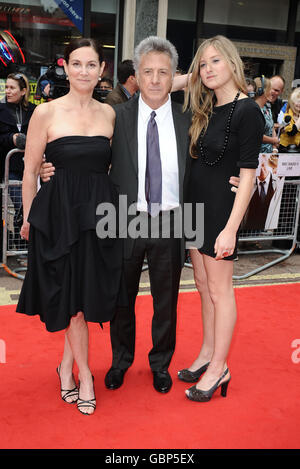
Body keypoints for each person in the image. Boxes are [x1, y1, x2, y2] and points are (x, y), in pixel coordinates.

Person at [16, 38, 126, 416]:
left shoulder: (111, 114)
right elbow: (30, 172)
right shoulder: (45, 112)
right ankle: (86, 376)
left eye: (91, 64)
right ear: (65, 67)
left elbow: (110, 168)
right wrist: (29, 218)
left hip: (98, 216)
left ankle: (66, 367)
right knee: (72, 302)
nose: (83, 71)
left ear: (101, 69)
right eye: (76, 64)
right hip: (59, 215)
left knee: (82, 296)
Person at [180, 35, 264, 402]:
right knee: (201, 285)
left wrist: (231, 228)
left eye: (215, 61)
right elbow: (164, 83)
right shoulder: (206, 106)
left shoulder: (248, 111)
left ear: (232, 62)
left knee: (219, 291)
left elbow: (247, 174)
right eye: (202, 64)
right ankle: (206, 353)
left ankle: (219, 367)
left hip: (219, 212)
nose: (208, 69)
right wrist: (193, 77)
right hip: (195, 207)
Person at [0, 73, 36, 251]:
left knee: (29, 205)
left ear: (23, 91)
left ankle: (23, 245)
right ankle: (15, 242)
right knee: (21, 202)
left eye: (12, 88)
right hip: (9, 166)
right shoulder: (0, 109)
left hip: (31, 165)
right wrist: (11, 138)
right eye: (6, 87)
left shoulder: (34, 110)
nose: (8, 91)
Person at [254, 76, 279, 154]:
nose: (272, 92)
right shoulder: (252, 109)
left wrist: (274, 149)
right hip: (256, 155)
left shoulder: (267, 108)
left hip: (269, 155)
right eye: (270, 89)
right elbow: (254, 134)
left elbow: (272, 128)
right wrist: (273, 140)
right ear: (262, 91)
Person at [279, 87, 300, 151]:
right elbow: (291, 132)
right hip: (286, 151)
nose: (299, 104)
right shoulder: (287, 116)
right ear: (292, 102)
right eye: (298, 101)